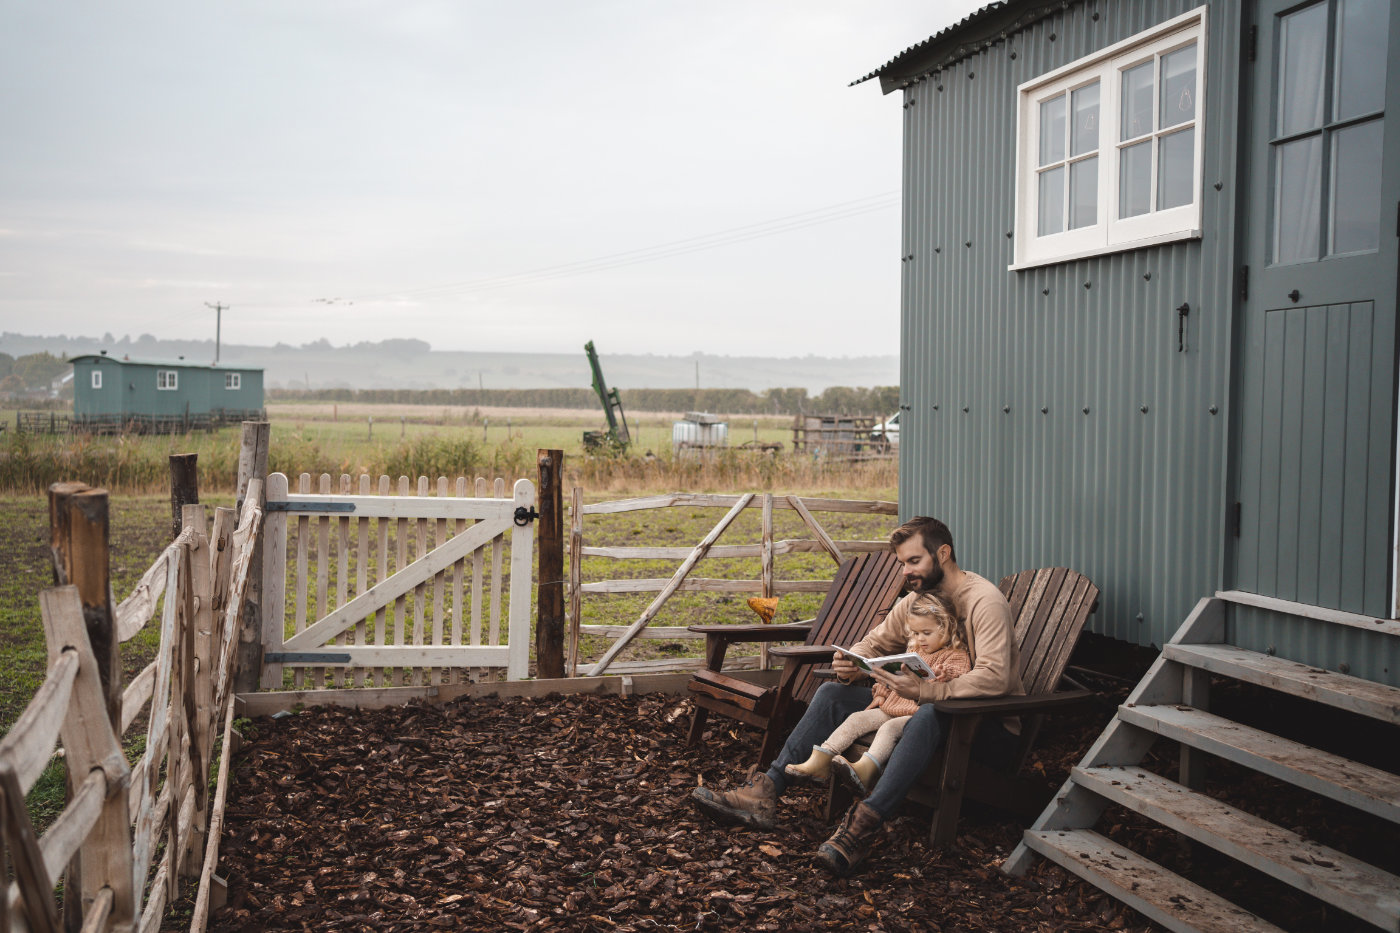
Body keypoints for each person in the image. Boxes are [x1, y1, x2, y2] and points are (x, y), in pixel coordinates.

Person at [691, 516, 1025, 876]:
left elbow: (994, 677)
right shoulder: (918, 600)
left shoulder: (984, 601)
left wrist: (929, 691)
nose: (905, 572)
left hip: (986, 729)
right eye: (901, 563)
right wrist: (850, 660)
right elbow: (876, 640)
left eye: (914, 561)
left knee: (932, 712)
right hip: (921, 710)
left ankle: (863, 827)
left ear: (943, 553)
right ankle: (767, 790)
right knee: (834, 694)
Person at [782, 591, 970, 798]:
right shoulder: (914, 651)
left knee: (889, 728)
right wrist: (880, 693)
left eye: (926, 632)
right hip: (892, 706)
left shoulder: (956, 656)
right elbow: (891, 676)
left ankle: (866, 769)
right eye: (915, 633)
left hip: (916, 716)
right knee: (857, 718)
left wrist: (944, 676)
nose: (920, 639)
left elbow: (959, 679)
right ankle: (821, 760)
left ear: (946, 629)